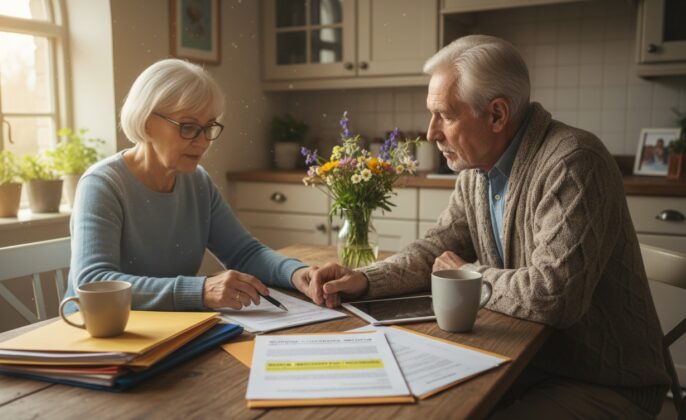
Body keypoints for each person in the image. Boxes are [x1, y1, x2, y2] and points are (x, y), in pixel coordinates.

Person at [302, 35, 669, 418]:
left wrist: (468, 273)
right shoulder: (476, 171)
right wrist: (365, 279)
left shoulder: (574, 162)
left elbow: (554, 296)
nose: (430, 133)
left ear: (496, 115)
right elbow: (434, 250)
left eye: (444, 114)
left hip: (603, 381)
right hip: (527, 362)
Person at [65, 59, 316, 312]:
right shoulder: (103, 185)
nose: (203, 141)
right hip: (97, 333)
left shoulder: (197, 182)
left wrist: (298, 273)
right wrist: (199, 290)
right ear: (145, 122)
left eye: (208, 127)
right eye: (188, 127)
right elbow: (93, 283)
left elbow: (244, 253)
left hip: (168, 328)